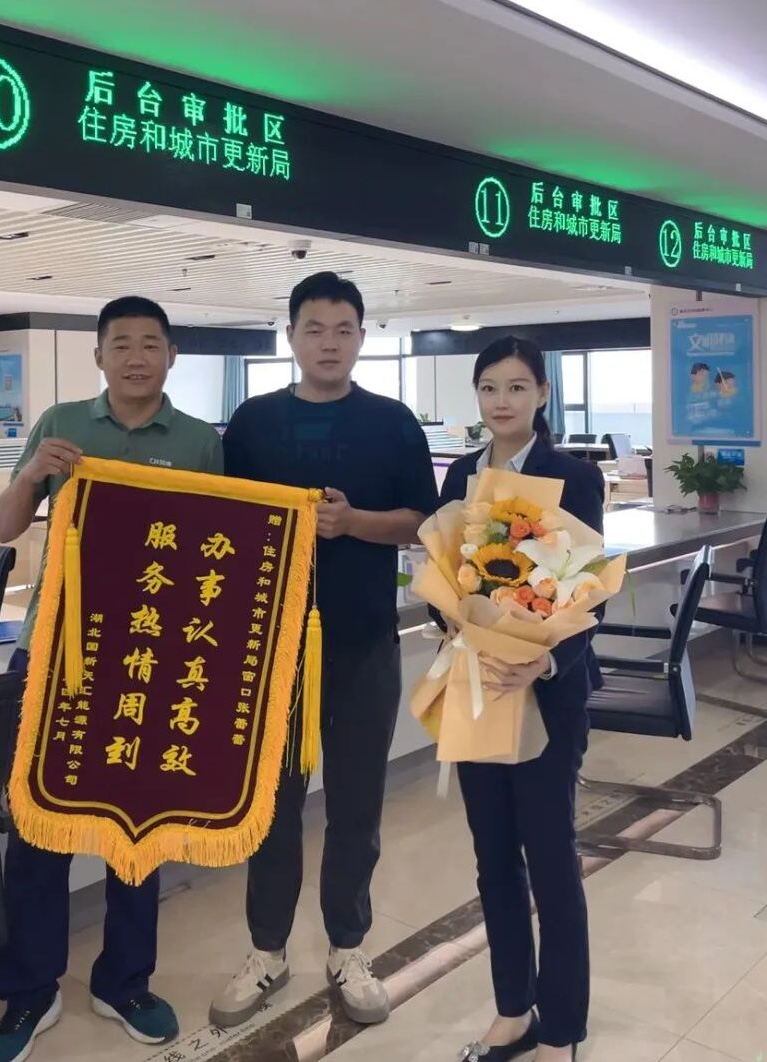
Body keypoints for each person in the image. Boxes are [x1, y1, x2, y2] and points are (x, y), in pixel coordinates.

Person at [0, 296, 223, 1062]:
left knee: (137, 828)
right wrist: (33, 475)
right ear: (99, 357)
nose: (136, 357)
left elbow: (218, 549)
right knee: (37, 825)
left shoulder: (199, 442)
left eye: (151, 343)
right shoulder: (61, 423)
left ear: (172, 355)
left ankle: (124, 981)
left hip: (147, 658)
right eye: (122, 344)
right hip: (54, 651)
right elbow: (5, 526)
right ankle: (30, 990)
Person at [211, 271, 438, 1028]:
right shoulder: (252, 423)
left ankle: (348, 947)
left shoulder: (393, 423)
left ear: (363, 338)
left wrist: (354, 523)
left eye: (344, 330)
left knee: (356, 805)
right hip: (270, 650)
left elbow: (423, 521)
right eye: (314, 329)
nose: (329, 343)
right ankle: (267, 951)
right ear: (291, 337)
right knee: (272, 808)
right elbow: (223, 522)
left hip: (364, 642)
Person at [438, 337, 603, 1062]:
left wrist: (545, 660)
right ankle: (513, 1010)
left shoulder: (574, 476)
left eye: (515, 387)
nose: (501, 401)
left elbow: (589, 589)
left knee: (551, 859)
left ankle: (561, 1026)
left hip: (547, 694)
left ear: (541, 394)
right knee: (494, 858)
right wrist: (457, 623)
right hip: (478, 687)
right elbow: (446, 572)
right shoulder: (460, 475)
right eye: (488, 388)